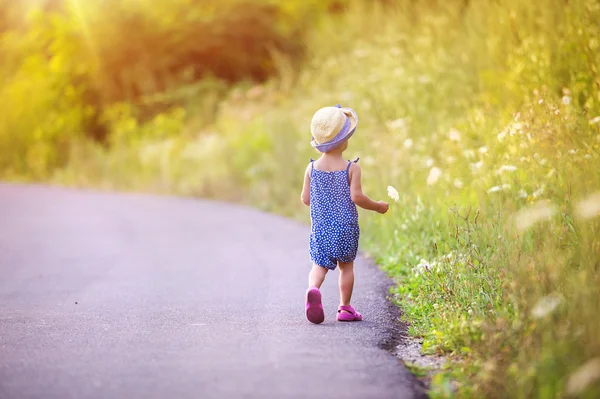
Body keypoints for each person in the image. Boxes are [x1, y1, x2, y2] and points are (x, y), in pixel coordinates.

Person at [300, 104, 389, 324]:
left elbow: (305, 199)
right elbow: (357, 197)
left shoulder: (311, 168)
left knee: (318, 266)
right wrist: (377, 206)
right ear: (344, 140)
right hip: (345, 228)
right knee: (346, 267)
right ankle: (345, 308)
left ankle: (313, 289)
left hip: (321, 229)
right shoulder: (352, 168)